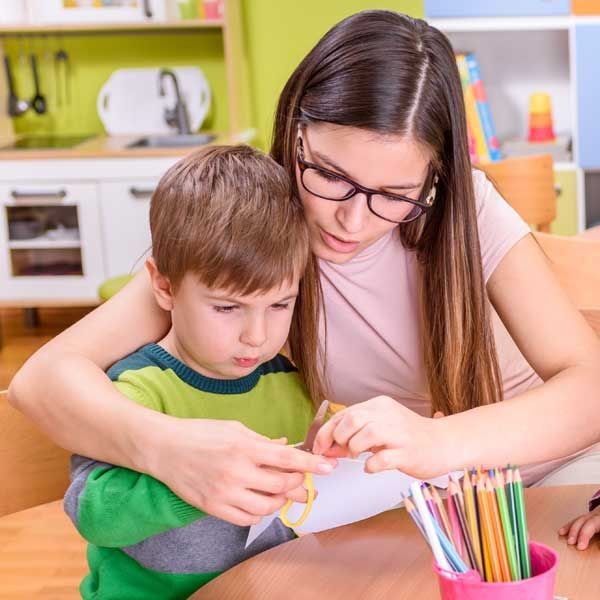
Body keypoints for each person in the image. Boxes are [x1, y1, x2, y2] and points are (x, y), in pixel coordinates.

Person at [9, 10, 600, 531]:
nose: (352, 220)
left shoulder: (462, 209)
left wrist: (440, 440)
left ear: (434, 179)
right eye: (332, 176)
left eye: (394, 194)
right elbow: (43, 381)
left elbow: (590, 388)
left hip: (554, 479)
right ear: (296, 130)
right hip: (411, 506)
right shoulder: (251, 225)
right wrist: (167, 449)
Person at [63, 145, 331, 599]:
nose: (256, 335)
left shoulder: (287, 381)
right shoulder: (136, 388)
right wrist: (189, 485)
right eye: (228, 307)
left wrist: (326, 456)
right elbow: (92, 512)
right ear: (164, 286)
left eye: (280, 304)